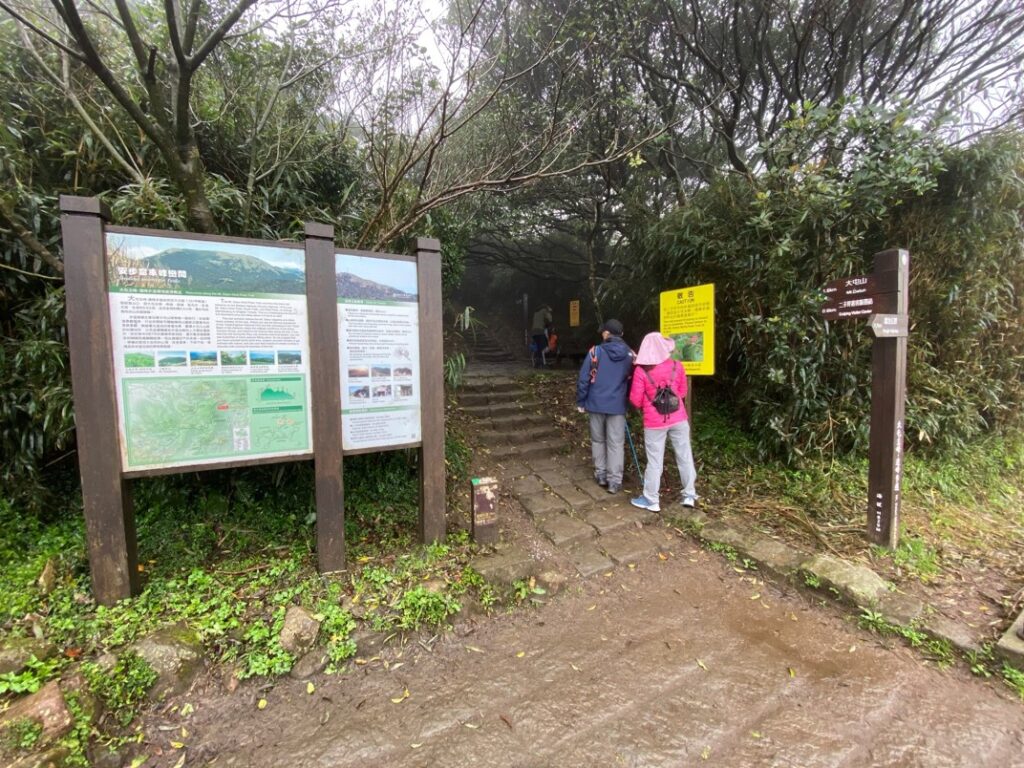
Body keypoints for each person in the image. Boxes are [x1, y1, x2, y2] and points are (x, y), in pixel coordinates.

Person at [628, 331, 697, 512]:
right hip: (679, 418)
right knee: (684, 455)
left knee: (655, 461)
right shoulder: (677, 365)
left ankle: (652, 500)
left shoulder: (641, 371)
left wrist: (651, 403)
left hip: (654, 422)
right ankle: (689, 494)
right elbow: (681, 393)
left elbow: (635, 400)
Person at [576, 319, 634, 493]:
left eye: (603, 332)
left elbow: (584, 379)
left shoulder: (596, 352)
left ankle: (601, 475)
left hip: (595, 403)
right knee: (616, 443)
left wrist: (581, 401)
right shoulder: (631, 355)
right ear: (622, 334)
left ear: (606, 334)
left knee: (598, 440)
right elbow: (633, 380)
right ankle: (615, 481)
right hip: (617, 405)